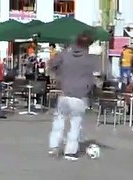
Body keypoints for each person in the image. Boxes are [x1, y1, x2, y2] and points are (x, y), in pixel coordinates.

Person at [48, 32, 96, 161]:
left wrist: (60, 75)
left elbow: (51, 64)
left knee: (59, 121)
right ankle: (70, 151)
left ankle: (54, 146)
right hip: (80, 96)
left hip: (65, 93)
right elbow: (92, 79)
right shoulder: (88, 59)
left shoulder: (65, 55)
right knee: (75, 124)